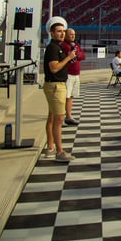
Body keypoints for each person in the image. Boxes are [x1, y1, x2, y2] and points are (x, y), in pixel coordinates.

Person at [42, 22, 77, 162]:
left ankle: (50, 148)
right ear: (51, 33)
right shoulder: (52, 48)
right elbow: (54, 68)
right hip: (56, 86)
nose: (62, 33)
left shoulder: (58, 47)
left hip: (57, 85)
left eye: (63, 31)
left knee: (51, 118)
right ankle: (59, 151)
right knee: (59, 119)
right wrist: (68, 58)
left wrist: (68, 59)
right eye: (58, 31)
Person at [62, 28, 85, 126]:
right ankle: (61, 117)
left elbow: (82, 55)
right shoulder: (64, 45)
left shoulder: (75, 45)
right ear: (66, 35)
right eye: (71, 34)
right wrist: (75, 54)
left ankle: (68, 116)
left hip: (76, 74)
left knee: (70, 97)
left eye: (74, 34)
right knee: (65, 97)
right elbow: (71, 55)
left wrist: (77, 54)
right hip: (68, 74)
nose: (73, 36)